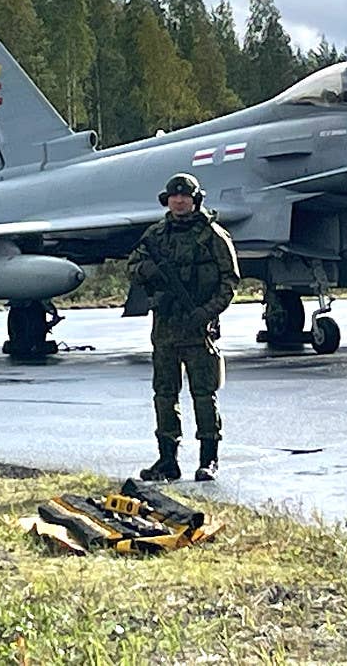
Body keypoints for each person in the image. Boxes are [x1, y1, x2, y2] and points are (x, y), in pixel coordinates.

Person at [127, 173, 240, 482]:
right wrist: (148, 270)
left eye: (185, 196)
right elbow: (133, 267)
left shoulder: (213, 236)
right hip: (165, 329)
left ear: (195, 200)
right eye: (174, 197)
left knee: (204, 394)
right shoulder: (155, 236)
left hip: (198, 328)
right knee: (164, 394)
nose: (179, 201)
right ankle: (167, 461)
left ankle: (209, 460)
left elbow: (229, 282)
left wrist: (206, 312)